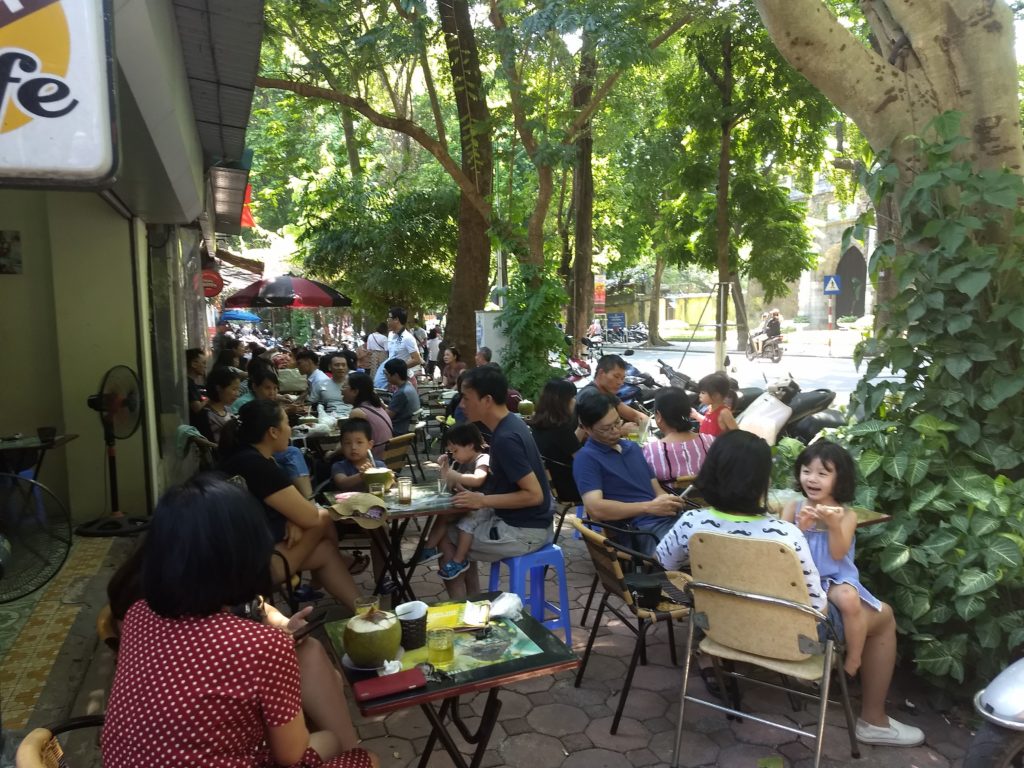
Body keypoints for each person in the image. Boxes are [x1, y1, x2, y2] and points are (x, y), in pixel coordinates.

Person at [656, 431, 924, 748]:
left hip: (721, 628)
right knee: (885, 615)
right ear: (761, 480)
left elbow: (663, 564)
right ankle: (874, 721)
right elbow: (814, 606)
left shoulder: (691, 522)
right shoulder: (782, 532)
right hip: (788, 635)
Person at [101, 474, 377, 768]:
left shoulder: (138, 614)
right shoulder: (261, 645)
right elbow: (291, 755)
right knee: (357, 756)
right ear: (244, 552)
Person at [219, 400, 361, 612]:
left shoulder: (242, 458)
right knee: (323, 517)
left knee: (326, 551)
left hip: (239, 559)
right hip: (251, 568)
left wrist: (294, 519)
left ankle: (365, 612)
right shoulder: (257, 466)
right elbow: (312, 517)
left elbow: (294, 511)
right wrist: (299, 519)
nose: (291, 429)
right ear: (273, 432)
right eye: (287, 423)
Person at [443, 365, 553, 599]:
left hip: (526, 531)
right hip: (523, 523)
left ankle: (464, 611)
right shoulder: (510, 424)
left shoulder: (506, 438)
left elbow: (534, 495)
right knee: (461, 527)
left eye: (466, 397)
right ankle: (473, 604)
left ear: (487, 400)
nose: (461, 404)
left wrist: (481, 500)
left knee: (447, 538)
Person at [781, 441, 880, 679]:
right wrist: (800, 529)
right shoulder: (793, 507)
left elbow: (837, 554)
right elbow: (783, 551)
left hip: (835, 576)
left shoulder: (847, 515)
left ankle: (853, 659)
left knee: (849, 599)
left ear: (839, 479)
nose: (812, 479)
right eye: (806, 471)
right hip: (801, 575)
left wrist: (834, 526)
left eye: (822, 474)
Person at [572, 393, 684, 553]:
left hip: (667, 522)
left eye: (617, 423)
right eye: (606, 428)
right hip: (639, 533)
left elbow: (656, 490)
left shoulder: (632, 448)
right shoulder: (587, 458)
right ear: (586, 429)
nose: (615, 431)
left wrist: (666, 502)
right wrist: (648, 507)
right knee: (704, 548)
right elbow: (595, 509)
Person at [418, 424, 491, 570]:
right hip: (467, 503)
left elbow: (478, 479)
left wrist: (457, 476)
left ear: (470, 445)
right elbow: (447, 484)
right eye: (451, 452)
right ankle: (429, 547)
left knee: (466, 524)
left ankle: (459, 560)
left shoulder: (483, 458)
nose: (454, 455)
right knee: (443, 516)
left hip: (484, 506)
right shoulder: (461, 462)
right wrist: (445, 467)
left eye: (455, 450)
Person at [642, 387, 715, 487]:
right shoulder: (711, 441)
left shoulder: (649, 451)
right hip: (709, 501)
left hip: (672, 501)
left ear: (658, 416)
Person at [529, 378, 585, 503]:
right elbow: (584, 460)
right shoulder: (561, 429)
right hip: (572, 487)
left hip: (552, 485)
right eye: (572, 398)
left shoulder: (539, 424)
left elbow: (569, 446)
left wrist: (582, 427)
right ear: (563, 402)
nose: (574, 402)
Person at [576, 354, 645, 428]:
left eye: (622, 378)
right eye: (616, 376)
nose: (620, 383)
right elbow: (587, 432)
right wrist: (621, 431)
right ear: (601, 373)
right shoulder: (590, 395)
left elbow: (636, 416)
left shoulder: (608, 394)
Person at [342, 372, 393, 457]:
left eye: (344, 387)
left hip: (373, 460)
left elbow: (350, 442)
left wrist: (331, 453)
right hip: (387, 456)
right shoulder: (377, 406)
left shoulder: (358, 412)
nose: (341, 390)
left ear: (355, 391)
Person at [331, 420, 387, 491]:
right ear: (342, 446)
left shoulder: (378, 465)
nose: (353, 447)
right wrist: (362, 475)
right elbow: (342, 484)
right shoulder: (339, 466)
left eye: (359, 442)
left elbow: (389, 485)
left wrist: (391, 479)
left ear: (370, 445)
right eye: (348, 443)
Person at [194, 366, 241, 451]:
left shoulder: (227, 409)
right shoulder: (205, 415)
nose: (237, 394)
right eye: (234, 389)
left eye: (238, 389)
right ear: (218, 388)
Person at [373, 307, 422, 388]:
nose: (387, 321)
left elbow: (417, 360)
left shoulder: (408, 338)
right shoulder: (391, 335)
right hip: (393, 380)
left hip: (405, 380)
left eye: (389, 318)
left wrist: (397, 368)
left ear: (396, 319)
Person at [691, 372, 737, 437]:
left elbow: (737, 434)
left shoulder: (724, 412)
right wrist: (696, 415)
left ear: (716, 395)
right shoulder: (710, 408)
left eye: (703, 393)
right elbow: (711, 423)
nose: (700, 395)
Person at [383, 358, 420, 436]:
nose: (386, 377)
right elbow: (392, 409)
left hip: (398, 430)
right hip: (406, 427)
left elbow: (386, 416)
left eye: (387, 374)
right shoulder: (409, 385)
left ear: (396, 375)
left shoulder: (401, 393)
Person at [185, 347, 207, 417]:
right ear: (193, 364)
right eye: (203, 363)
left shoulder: (190, 382)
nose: (205, 366)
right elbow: (197, 407)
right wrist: (209, 399)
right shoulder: (188, 383)